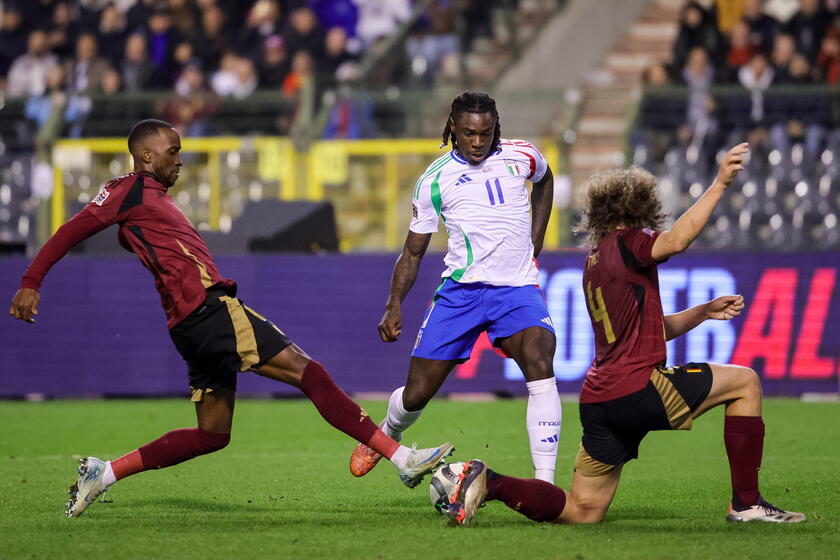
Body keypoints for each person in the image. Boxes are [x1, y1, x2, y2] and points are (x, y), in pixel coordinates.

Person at [8, 119, 454, 518]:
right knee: (310, 373)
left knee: (212, 434)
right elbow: (73, 229)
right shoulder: (130, 189)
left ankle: (103, 474)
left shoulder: (150, 200)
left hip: (188, 325)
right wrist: (32, 280)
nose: (180, 160)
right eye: (172, 151)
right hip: (208, 309)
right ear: (146, 154)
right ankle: (400, 458)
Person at [445, 143, 807, 526]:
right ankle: (746, 503)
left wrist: (701, 312)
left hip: (600, 400)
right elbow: (678, 240)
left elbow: (647, 330)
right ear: (642, 207)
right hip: (638, 389)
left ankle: (488, 480)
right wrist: (719, 183)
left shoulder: (595, 259)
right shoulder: (629, 242)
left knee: (583, 510)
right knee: (745, 382)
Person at [348, 91, 562, 484]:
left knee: (540, 362)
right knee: (415, 395)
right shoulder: (433, 179)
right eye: (469, 134)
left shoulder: (523, 155)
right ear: (452, 128)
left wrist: (537, 240)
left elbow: (545, 180)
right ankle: (388, 433)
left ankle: (545, 484)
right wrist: (394, 303)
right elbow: (413, 252)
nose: (478, 142)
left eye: (486, 133)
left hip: (516, 289)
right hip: (461, 294)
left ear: (496, 128)